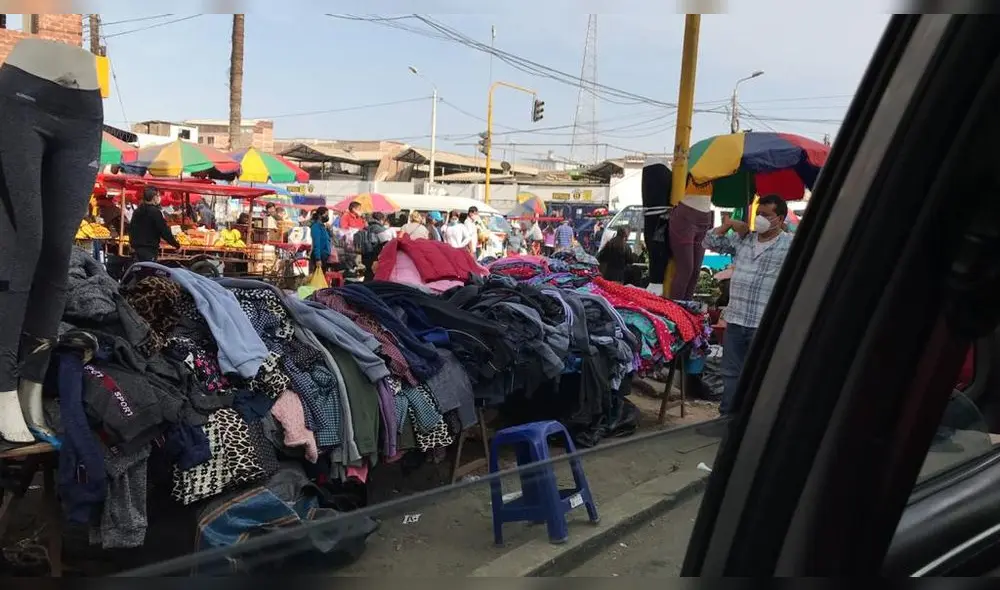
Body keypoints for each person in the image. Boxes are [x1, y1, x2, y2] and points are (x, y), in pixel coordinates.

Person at [703, 194, 794, 418]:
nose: (760, 219)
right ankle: (727, 417)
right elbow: (709, 241)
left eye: (766, 215)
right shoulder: (744, 239)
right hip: (736, 320)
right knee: (730, 373)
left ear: (780, 218)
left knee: (758, 374)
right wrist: (729, 225)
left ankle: (752, 420)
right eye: (758, 214)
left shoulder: (789, 244)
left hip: (763, 323)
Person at [129, 187, 180, 263]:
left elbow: (131, 228)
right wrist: (176, 245)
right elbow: (164, 231)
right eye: (158, 196)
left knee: (139, 271)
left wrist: (132, 244)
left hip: (136, 249)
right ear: (154, 197)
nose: (159, 198)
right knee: (148, 271)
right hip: (149, 249)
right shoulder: (155, 212)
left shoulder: (137, 211)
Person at [355, 212, 391, 281]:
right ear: (381, 220)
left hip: (365, 254)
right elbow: (386, 242)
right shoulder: (379, 229)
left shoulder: (365, 228)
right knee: (374, 275)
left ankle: (365, 287)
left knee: (367, 273)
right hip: (375, 255)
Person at [309, 206, 334, 274]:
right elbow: (316, 243)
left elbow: (329, 238)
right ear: (320, 215)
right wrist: (318, 259)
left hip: (324, 256)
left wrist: (329, 230)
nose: (327, 217)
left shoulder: (323, 226)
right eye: (326, 215)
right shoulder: (316, 227)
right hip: (319, 256)